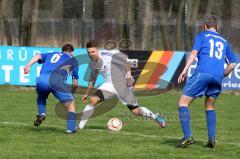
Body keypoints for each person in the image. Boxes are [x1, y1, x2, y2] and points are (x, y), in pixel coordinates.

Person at [78, 40, 166, 130]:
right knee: (93, 100)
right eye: (89, 52)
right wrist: (86, 93)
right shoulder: (93, 64)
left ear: (97, 50)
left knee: (135, 111)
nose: (91, 54)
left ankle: (155, 116)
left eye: (93, 52)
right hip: (108, 85)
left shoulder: (109, 54)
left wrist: (128, 76)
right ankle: (79, 127)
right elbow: (93, 78)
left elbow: (125, 62)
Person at [177, 15, 236, 148]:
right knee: (210, 106)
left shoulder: (202, 36)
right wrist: (221, 75)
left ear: (205, 26)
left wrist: (184, 70)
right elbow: (232, 64)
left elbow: (193, 53)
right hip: (217, 77)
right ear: (217, 27)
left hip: (202, 73)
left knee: (183, 103)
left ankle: (187, 137)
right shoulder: (224, 41)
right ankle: (211, 139)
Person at [24, 44, 79, 134]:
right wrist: (71, 93)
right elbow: (75, 82)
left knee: (41, 96)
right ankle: (70, 129)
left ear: (62, 51)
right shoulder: (73, 59)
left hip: (41, 79)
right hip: (56, 80)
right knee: (70, 105)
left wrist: (28, 66)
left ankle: (42, 114)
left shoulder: (52, 54)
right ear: (72, 52)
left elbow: (38, 56)